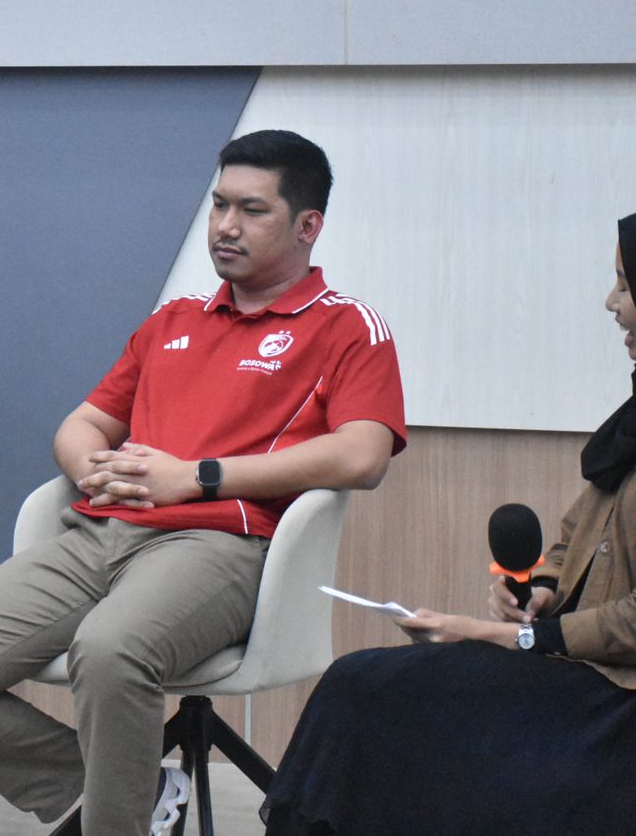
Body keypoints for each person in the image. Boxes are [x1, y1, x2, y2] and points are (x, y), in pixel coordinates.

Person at [0, 130, 406, 836]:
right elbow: (81, 424)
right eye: (220, 204)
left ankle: (115, 820)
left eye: (252, 210)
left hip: (221, 547)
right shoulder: (173, 319)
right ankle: (132, 791)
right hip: (97, 534)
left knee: (110, 650)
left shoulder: (346, 326)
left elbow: (363, 456)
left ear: (307, 226)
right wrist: (89, 467)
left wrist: (197, 478)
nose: (225, 225)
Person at [259, 213, 636, 836]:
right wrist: (542, 589)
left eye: (624, 285)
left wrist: (511, 637)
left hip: (613, 698)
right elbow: (575, 538)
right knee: (362, 688)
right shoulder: (628, 423)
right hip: (573, 664)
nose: (611, 303)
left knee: (382, 701)